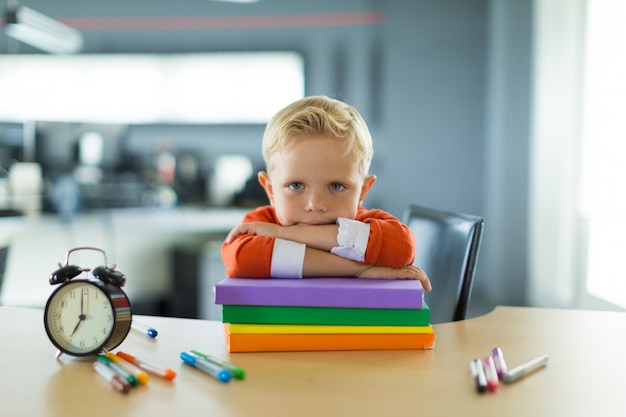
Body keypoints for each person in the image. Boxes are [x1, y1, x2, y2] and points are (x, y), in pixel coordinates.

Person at [221, 95, 431, 291]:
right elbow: (240, 258)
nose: (315, 204)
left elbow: (403, 248)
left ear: (362, 191)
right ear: (270, 190)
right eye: (296, 185)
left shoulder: (369, 223)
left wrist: (285, 234)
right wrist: (358, 270)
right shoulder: (264, 221)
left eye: (336, 186)